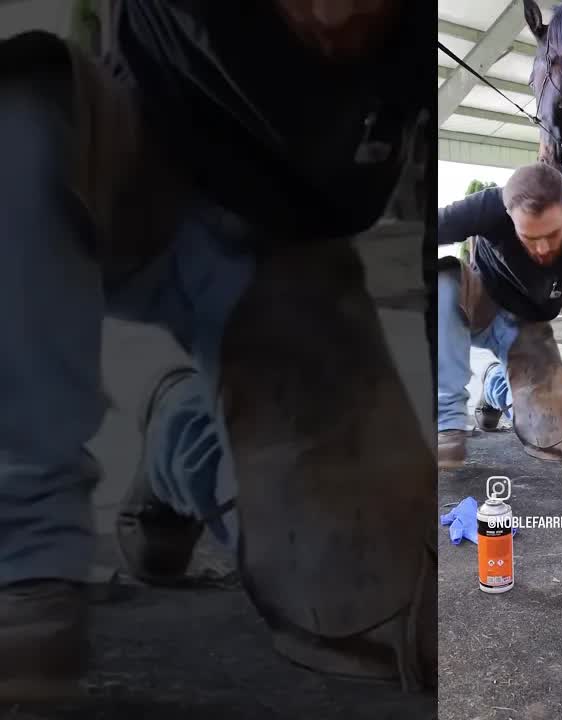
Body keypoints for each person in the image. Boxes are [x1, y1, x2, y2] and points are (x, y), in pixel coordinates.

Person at [0, 0, 432, 700]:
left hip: (286, 263)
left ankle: (177, 440)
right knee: (21, 109)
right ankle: (24, 562)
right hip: (132, 151)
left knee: (378, 603)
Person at [435, 162, 562, 475]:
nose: (542, 248)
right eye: (529, 237)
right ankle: (447, 422)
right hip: (477, 305)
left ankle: (496, 385)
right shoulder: (489, 206)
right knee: (441, 277)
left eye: (552, 235)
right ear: (509, 216)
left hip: (527, 331)